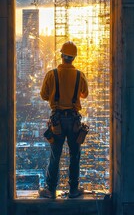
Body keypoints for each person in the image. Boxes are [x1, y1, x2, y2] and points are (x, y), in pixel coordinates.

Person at [38, 41, 88, 199]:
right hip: (74, 121)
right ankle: (73, 190)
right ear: (74, 58)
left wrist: (57, 96)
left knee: (55, 155)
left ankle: (50, 190)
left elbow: (44, 95)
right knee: (75, 155)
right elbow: (84, 94)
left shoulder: (51, 74)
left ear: (61, 56)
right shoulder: (80, 75)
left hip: (57, 121)